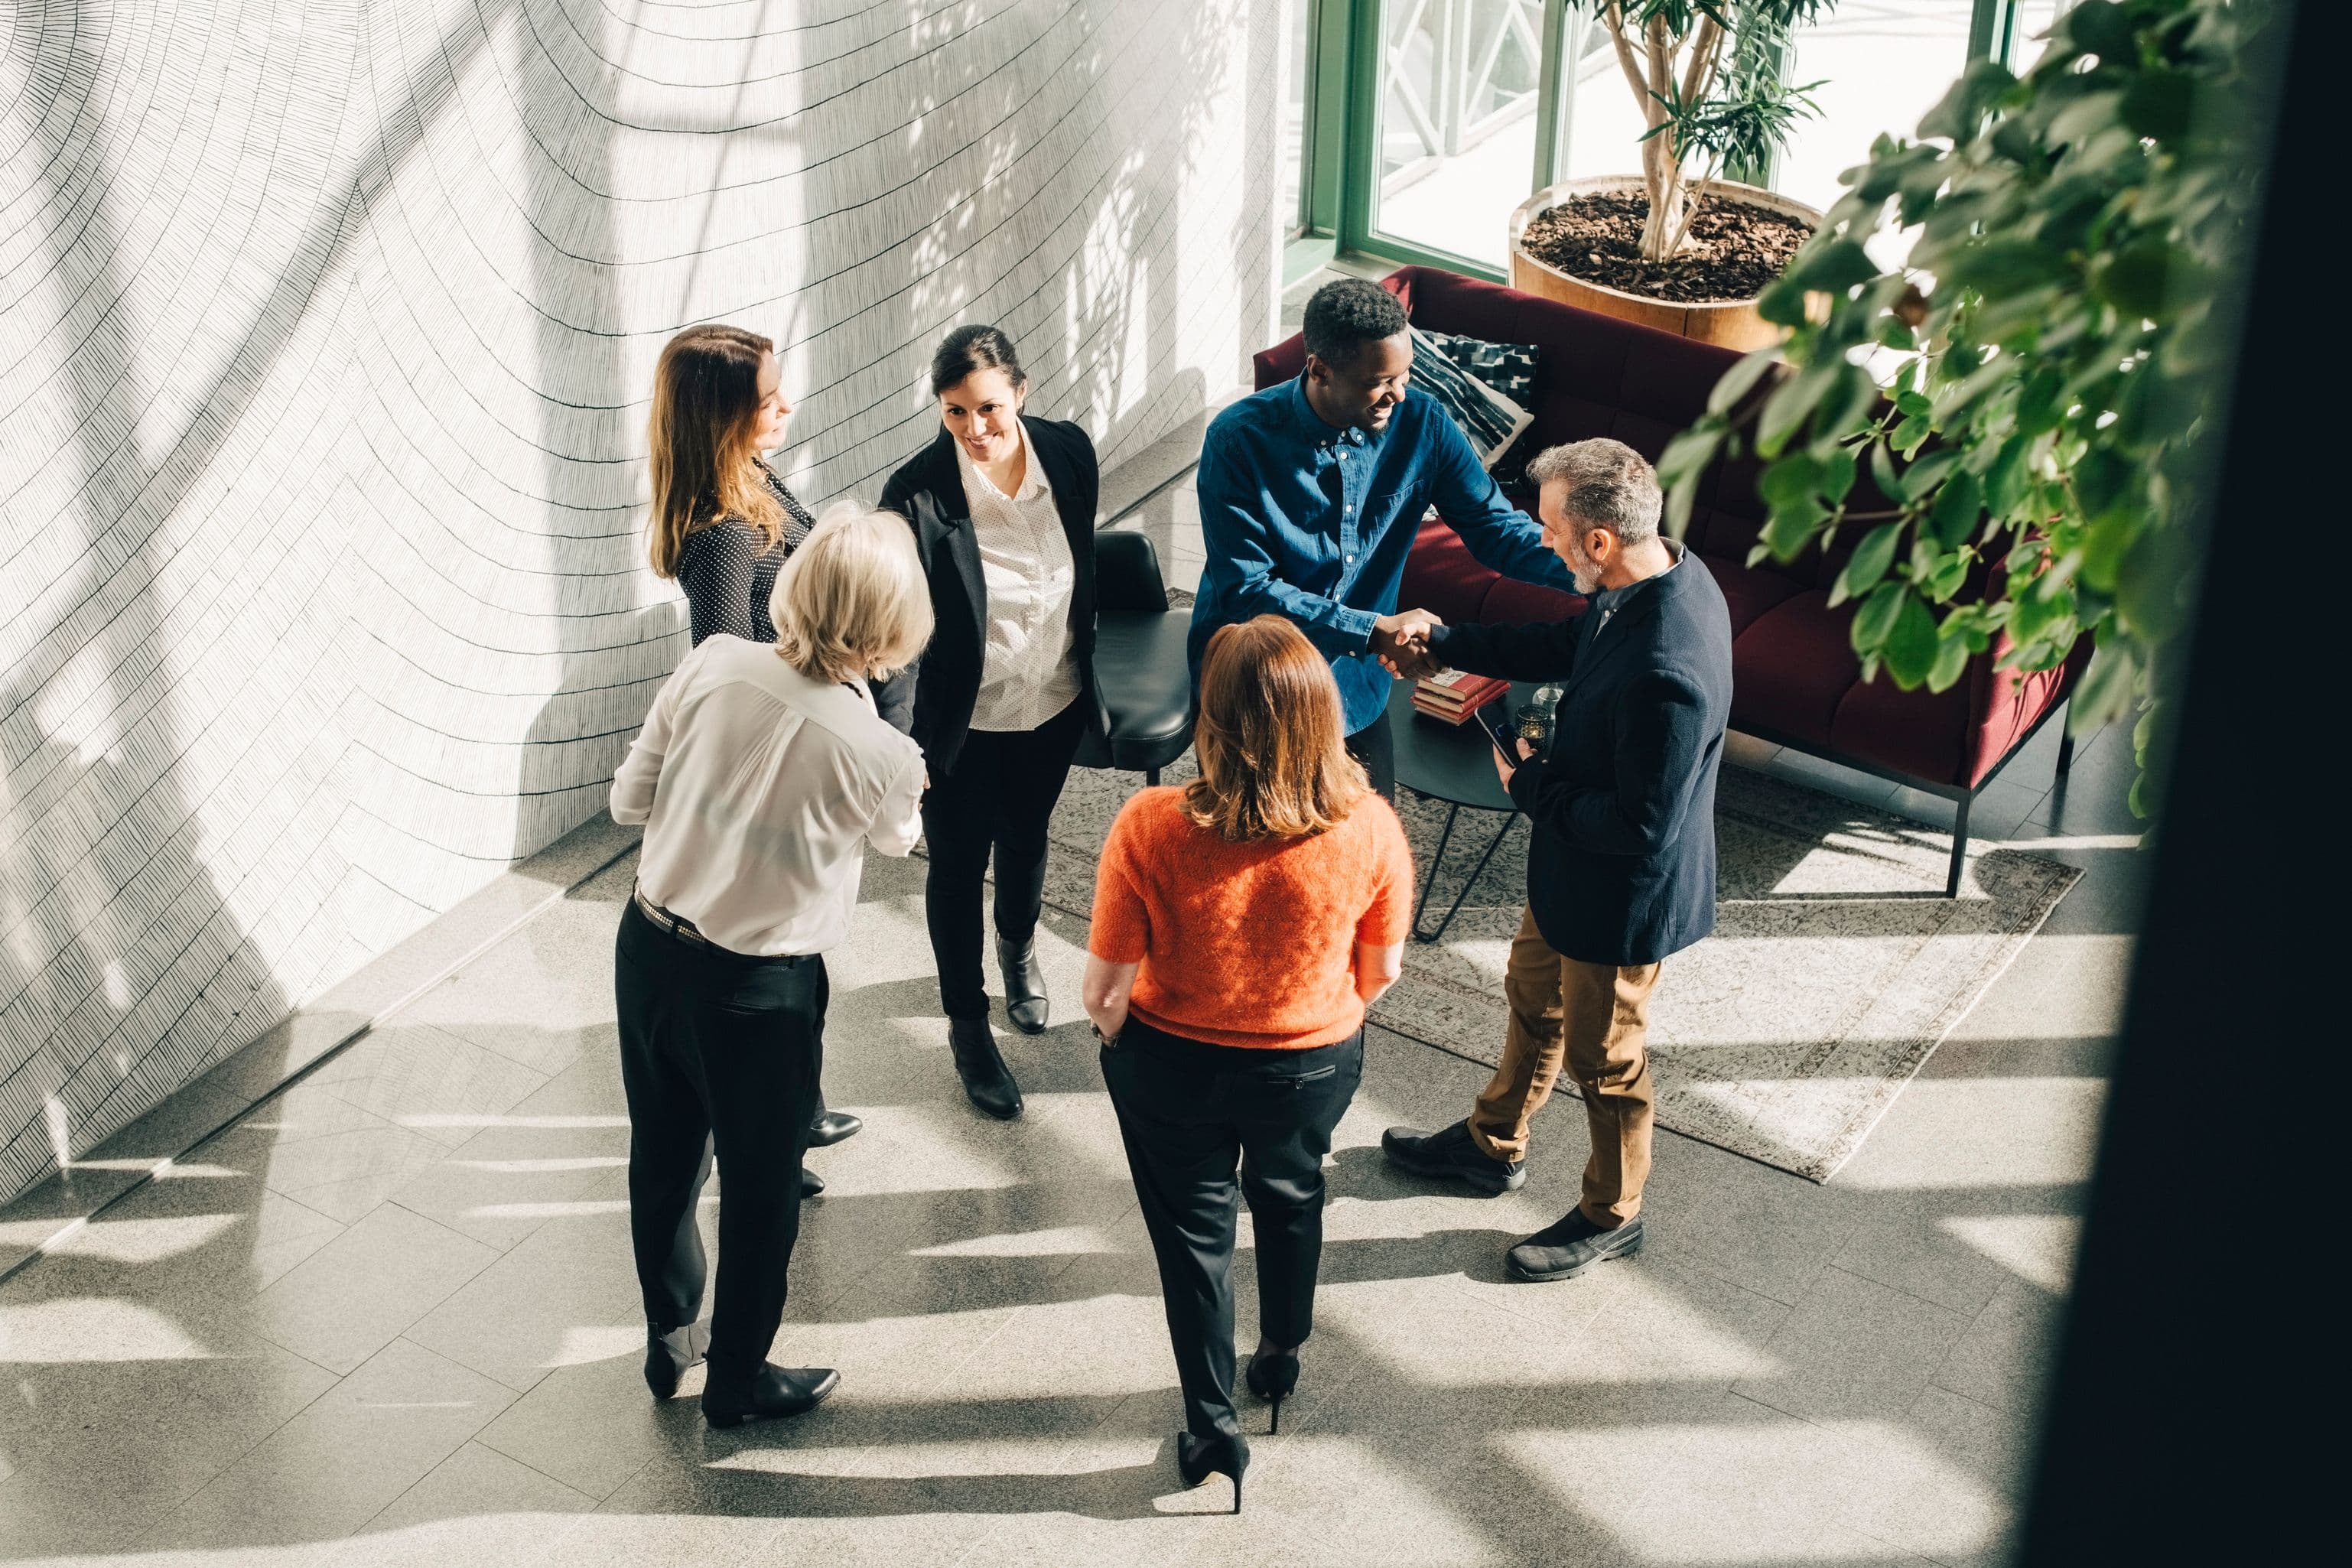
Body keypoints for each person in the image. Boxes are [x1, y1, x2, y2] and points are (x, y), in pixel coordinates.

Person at [1379, 439, 1732, 1283]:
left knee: (1605, 1060)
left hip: (1620, 897)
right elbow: (1570, 648)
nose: (1543, 541)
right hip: (1572, 871)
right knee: (1532, 998)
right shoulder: (1655, 578)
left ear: (1599, 540)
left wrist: (1528, 784)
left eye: (1551, 529)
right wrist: (1452, 639)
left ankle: (1615, 1213)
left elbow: (1641, 826)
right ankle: (1490, 1144)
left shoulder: (1665, 667)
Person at [610, 502, 931, 1426]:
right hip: (760, 991)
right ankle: (739, 1380)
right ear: (892, 627)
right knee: (760, 1191)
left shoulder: (713, 663)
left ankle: (670, 1341)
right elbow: (901, 842)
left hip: (648, 946)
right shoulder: (881, 750)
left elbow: (631, 802)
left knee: (663, 1159)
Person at [1084, 616, 1413, 1512]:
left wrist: (1116, 1039)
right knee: (1292, 1190)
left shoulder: (1151, 824)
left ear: (1211, 719)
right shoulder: (1372, 827)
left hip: (1169, 1064)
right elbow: (1379, 973)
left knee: (1193, 1239)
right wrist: (1315, 1019)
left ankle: (1212, 1427)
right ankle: (1283, 1352)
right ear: (1323, 718)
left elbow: (1103, 991)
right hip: (1309, 1061)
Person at [1186, 277, 1573, 800]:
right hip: (1256, 684)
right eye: (1378, 380)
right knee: (1253, 851)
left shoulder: (1423, 423)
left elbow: (1492, 526)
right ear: (1318, 368)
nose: (1398, 393)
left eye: (1405, 375)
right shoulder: (1237, 439)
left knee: (1373, 842)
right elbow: (1246, 588)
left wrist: (1603, 566)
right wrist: (1371, 630)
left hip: (1355, 687)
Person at [644, 323, 861, 1176]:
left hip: (792, 753)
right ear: (719, 416)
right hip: (769, 777)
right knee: (780, 971)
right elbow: (726, 670)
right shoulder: (725, 533)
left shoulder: (752, 478)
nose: (787, 406)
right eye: (767, 400)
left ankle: (790, 1115)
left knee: (800, 967)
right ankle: (770, 1131)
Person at [873, 326, 1100, 1121]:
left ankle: (1020, 952)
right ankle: (968, 1025)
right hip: (961, 729)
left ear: (1023, 393)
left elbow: (1086, 566)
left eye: (990, 408)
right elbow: (895, 634)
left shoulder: (1069, 453)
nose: (975, 427)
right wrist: (903, 745)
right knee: (957, 867)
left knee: (1030, 835)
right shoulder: (916, 495)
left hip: (1056, 704)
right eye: (955, 411)